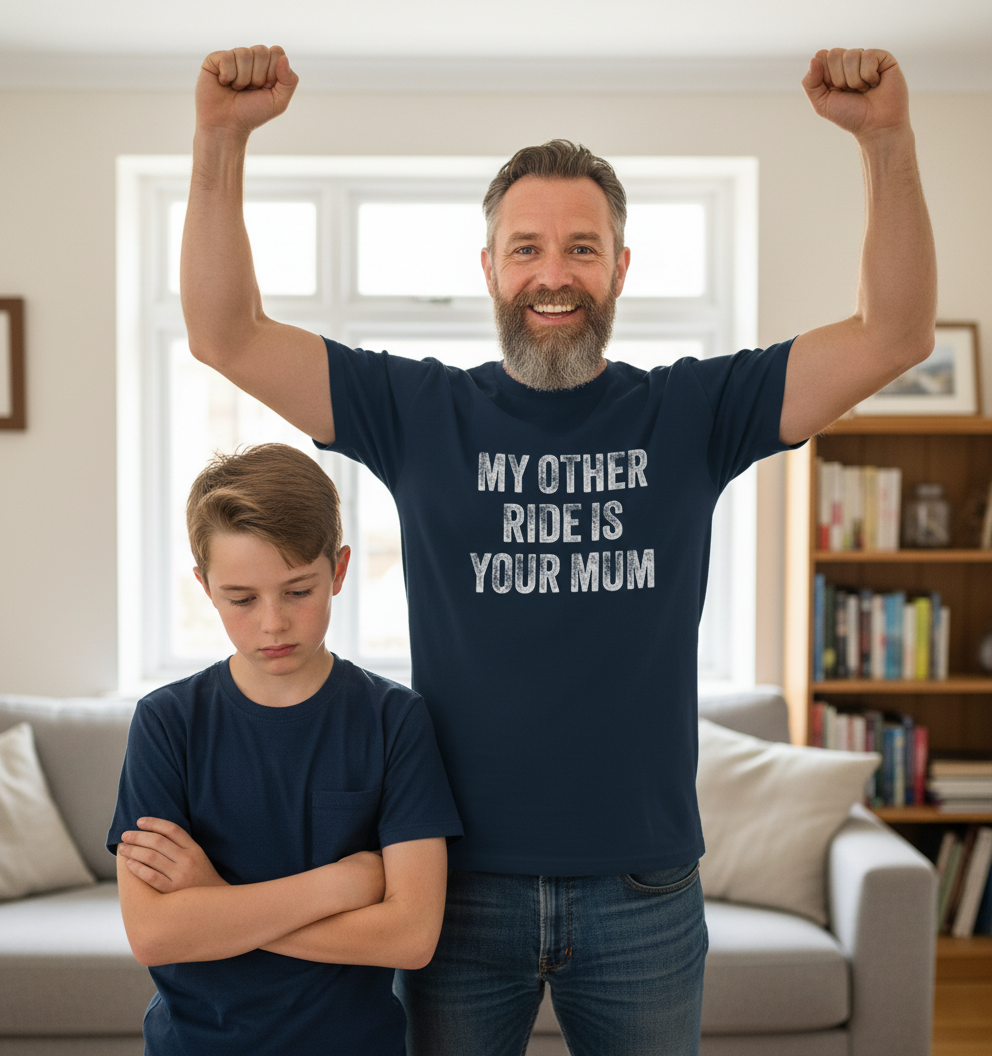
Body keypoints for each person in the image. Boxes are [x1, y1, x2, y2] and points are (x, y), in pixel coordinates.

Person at [179, 45, 936, 1056]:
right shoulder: (416, 412)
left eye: (581, 248)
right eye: (525, 247)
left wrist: (884, 142)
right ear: (488, 269)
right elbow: (223, 331)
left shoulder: (693, 413)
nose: (552, 275)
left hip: (644, 887)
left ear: (619, 269)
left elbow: (893, 332)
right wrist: (219, 142)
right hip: (454, 884)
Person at [108, 443, 463, 1056]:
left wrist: (215, 903)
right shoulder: (165, 723)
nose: (273, 623)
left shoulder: (394, 719)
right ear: (205, 586)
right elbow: (155, 934)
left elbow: (410, 936)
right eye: (242, 599)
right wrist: (342, 884)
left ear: (340, 570)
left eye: (298, 591)